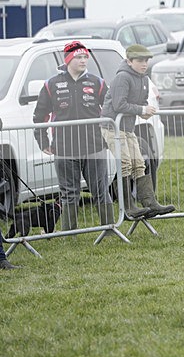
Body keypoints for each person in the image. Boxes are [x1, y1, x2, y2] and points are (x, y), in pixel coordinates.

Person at [32, 41, 114, 230]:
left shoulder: (97, 82)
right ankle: (69, 233)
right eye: (79, 57)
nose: (83, 60)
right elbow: (39, 115)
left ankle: (110, 229)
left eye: (85, 56)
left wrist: (109, 137)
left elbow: (110, 110)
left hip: (94, 147)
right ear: (68, 59)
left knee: (101, 190)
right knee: (69, 193)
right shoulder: (51, 84)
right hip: (64, 149)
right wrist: (42, 140)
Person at [101, 44, 174, 219]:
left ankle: (149, 203)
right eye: (140, 60)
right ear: (129, 61)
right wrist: (142, 110)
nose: (144, 64)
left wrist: (145, 112)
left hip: (128, 127)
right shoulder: (123, 78)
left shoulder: (142, 78)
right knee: (125, 163)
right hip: (112, 127)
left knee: (139, 163)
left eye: (146, 60)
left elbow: (138, 103)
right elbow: (119, 104)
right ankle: (127, 207)